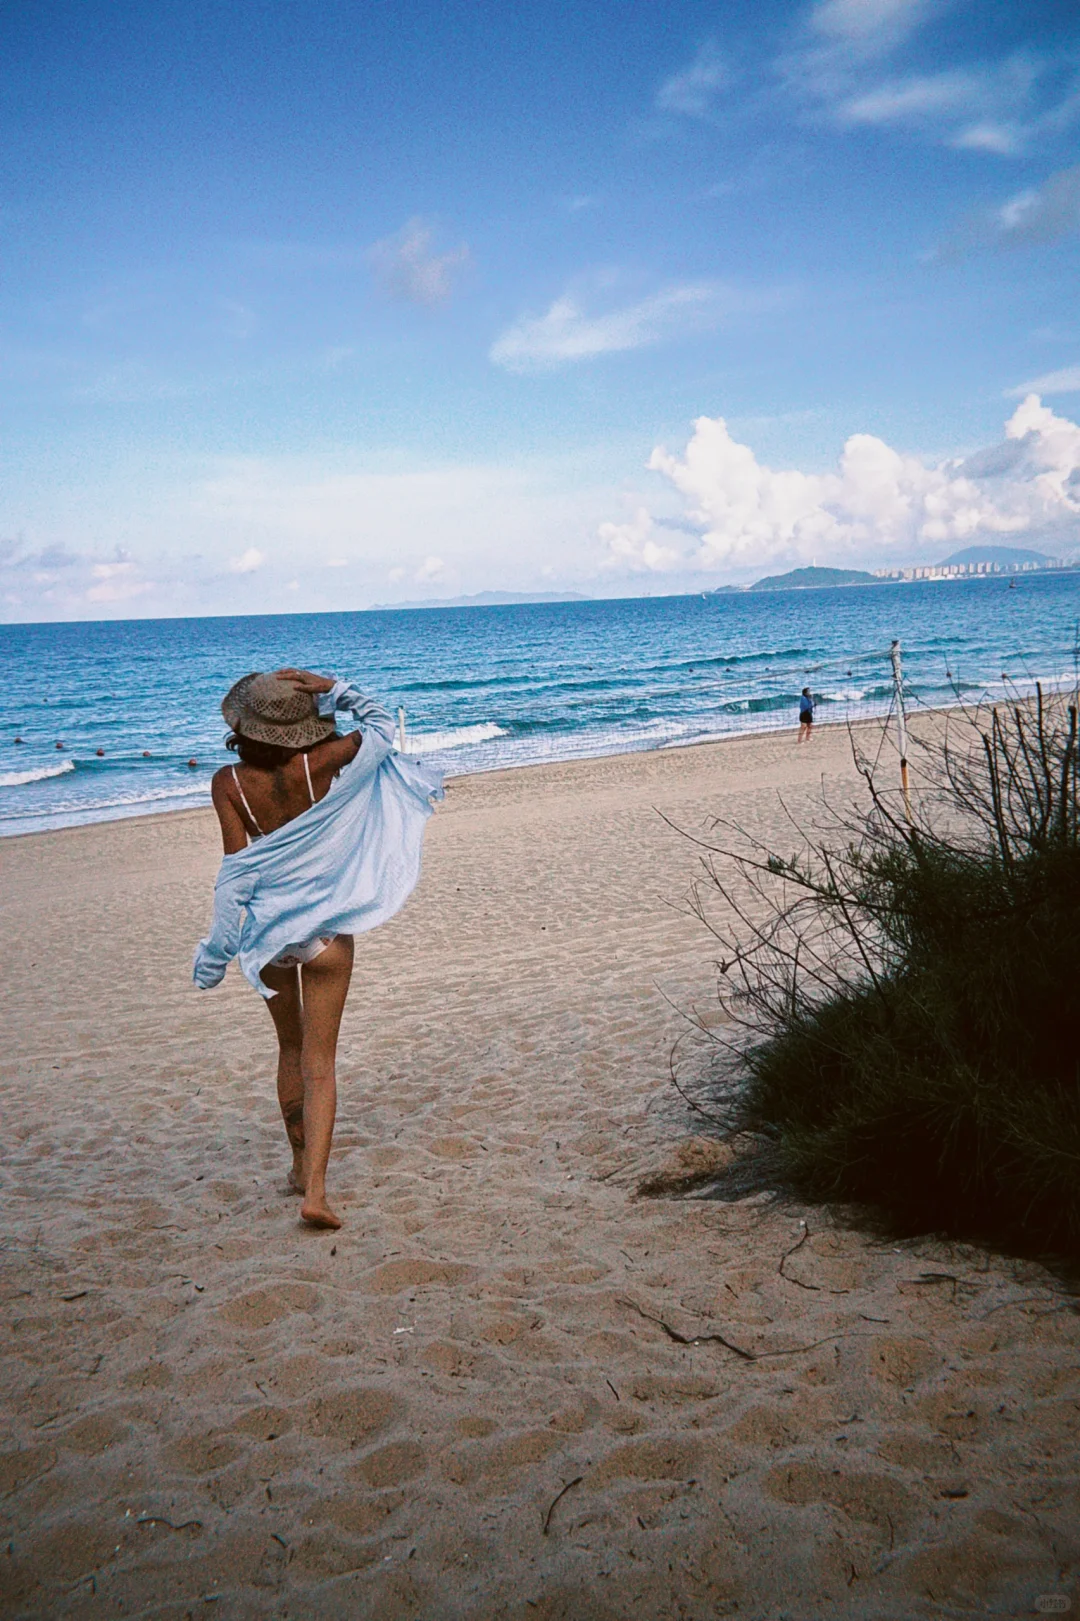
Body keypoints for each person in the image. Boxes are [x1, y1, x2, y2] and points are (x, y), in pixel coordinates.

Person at [193, 668, 442, 1230]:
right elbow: (381, 727)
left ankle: (299, 1167)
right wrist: (334, 688)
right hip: (326, 934)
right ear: (299, 724)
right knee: (321, 1065)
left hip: (268, 937)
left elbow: (237, 872)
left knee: (289, 1050)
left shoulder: (227, 784)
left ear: (246, 727)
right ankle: (318, 1193)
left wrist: (217, 951)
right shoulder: (326, 760)